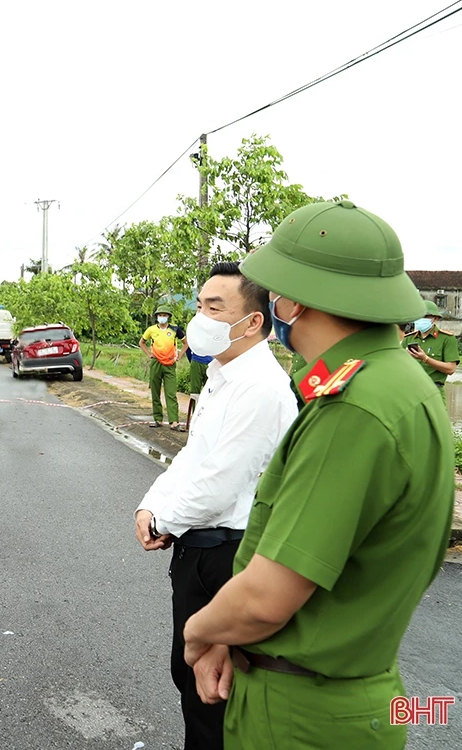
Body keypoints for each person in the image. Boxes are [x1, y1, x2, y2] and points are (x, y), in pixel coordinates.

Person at [183, 200, 455, 749]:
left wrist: (198, 632)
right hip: (339, 692)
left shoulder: (354, 406)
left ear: (294, 300)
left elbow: (265, 599)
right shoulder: (397, 382)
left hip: (301, 715)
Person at [135, 261, 297, 750]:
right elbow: (194, 456)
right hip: (197, 551)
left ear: (252, 322)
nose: (199, 317)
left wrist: (164, 518)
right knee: (189, 679)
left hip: (229, 557)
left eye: (214, 307)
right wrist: (150, 505)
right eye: (199, 305)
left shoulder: (261, 388)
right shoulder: (223, 375)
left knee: (215, 699)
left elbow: (219, 486)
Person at [140, 304, 187, 430]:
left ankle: (174, 421)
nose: (162, 317)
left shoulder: (175, 329)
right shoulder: (151, 330)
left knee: (171, 393)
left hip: (170, 364)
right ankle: (158, 419)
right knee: (155, 391)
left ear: (168, 317)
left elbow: (186, 343)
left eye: (164, 315)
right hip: (156, 362)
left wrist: (180, 355)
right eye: (160, 315)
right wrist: (149, 354)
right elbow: (142, 342)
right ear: (157, 317)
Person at [403, 299, 459, 402]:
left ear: (435, 318)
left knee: (437, 418)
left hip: (434, 392)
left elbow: (451, 369)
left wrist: (425, 359)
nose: (421, 319)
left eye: (426, 316)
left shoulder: (446, 339)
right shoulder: (408, 339)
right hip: (409, 393)